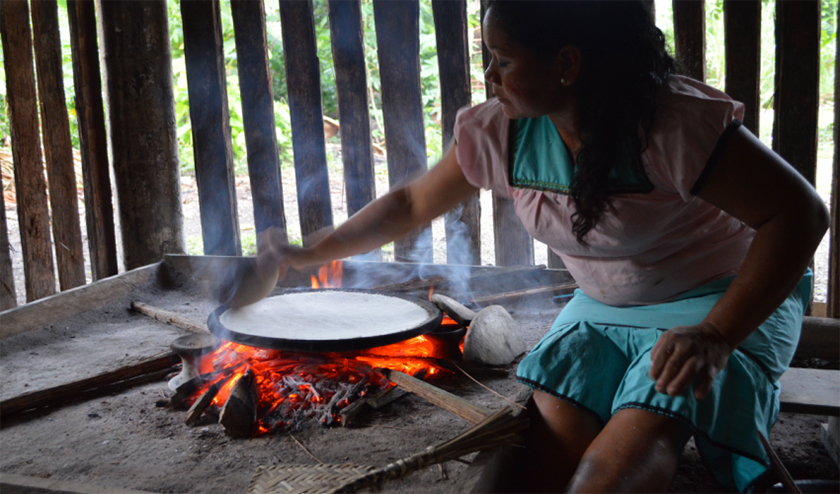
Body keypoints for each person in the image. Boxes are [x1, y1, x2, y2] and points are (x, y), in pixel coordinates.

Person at [256, 1, 829, 492]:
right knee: (532, 468)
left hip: (720, 303)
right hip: (603, 313)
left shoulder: (670, 125)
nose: (489, 75)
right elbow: (409, 204)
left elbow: (800, 215)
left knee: (611, 469)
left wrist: (716, 333)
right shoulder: (502, 131)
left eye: (503, 60)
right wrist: (307, 253)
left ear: (567, 64)